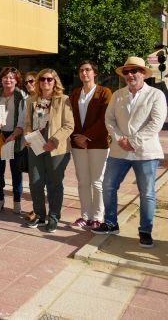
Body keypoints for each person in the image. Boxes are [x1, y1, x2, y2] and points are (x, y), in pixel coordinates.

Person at [93, 57, 167, 249]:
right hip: (119, 151)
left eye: (134, 71)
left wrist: (133, 141)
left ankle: (145, 231)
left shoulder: (156, 95)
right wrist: (119, 139)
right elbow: (109, 119)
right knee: (108, 186)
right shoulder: (118, 95)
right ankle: (110, 223)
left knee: (147, 194)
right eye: (126, 72)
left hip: (145, 153)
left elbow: (156, 122)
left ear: (143, 73)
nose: (130, 75)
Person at [23, 69, 74, 233]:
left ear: (55, 81)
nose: (46, 82)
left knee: (54, 184)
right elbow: (28, 124)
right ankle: (39, 214)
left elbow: (69, 125)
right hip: (36, 146)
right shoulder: (32, 100)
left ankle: (53, 217)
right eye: (42, 79)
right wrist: (28, 137)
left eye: (49, 79)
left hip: (56, 149)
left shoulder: (63, 100)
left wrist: (54, 140)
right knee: (35, 182)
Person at [69, 61, 112, 230]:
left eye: (88, 70)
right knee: (83, 182)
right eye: (81, 70)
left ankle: (98, 217)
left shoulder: (105, 93)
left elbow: (105, 118)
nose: (84, 73)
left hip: (98, 143)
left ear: (95, 73)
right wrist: (76, 137)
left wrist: (87, 136)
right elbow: (69, 118)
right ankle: (85, 216)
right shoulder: (75, 94)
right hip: (78, 144)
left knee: (97, 182)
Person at [0, 67, 26, 214]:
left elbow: (22, 121)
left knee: (15, 172)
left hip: (15, 136)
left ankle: (17, 202)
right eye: (5, 77)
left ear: (16, 80)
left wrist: (13, 136)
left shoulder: (21, 96)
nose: (8, 80)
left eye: (12, 77)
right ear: (1, 79)